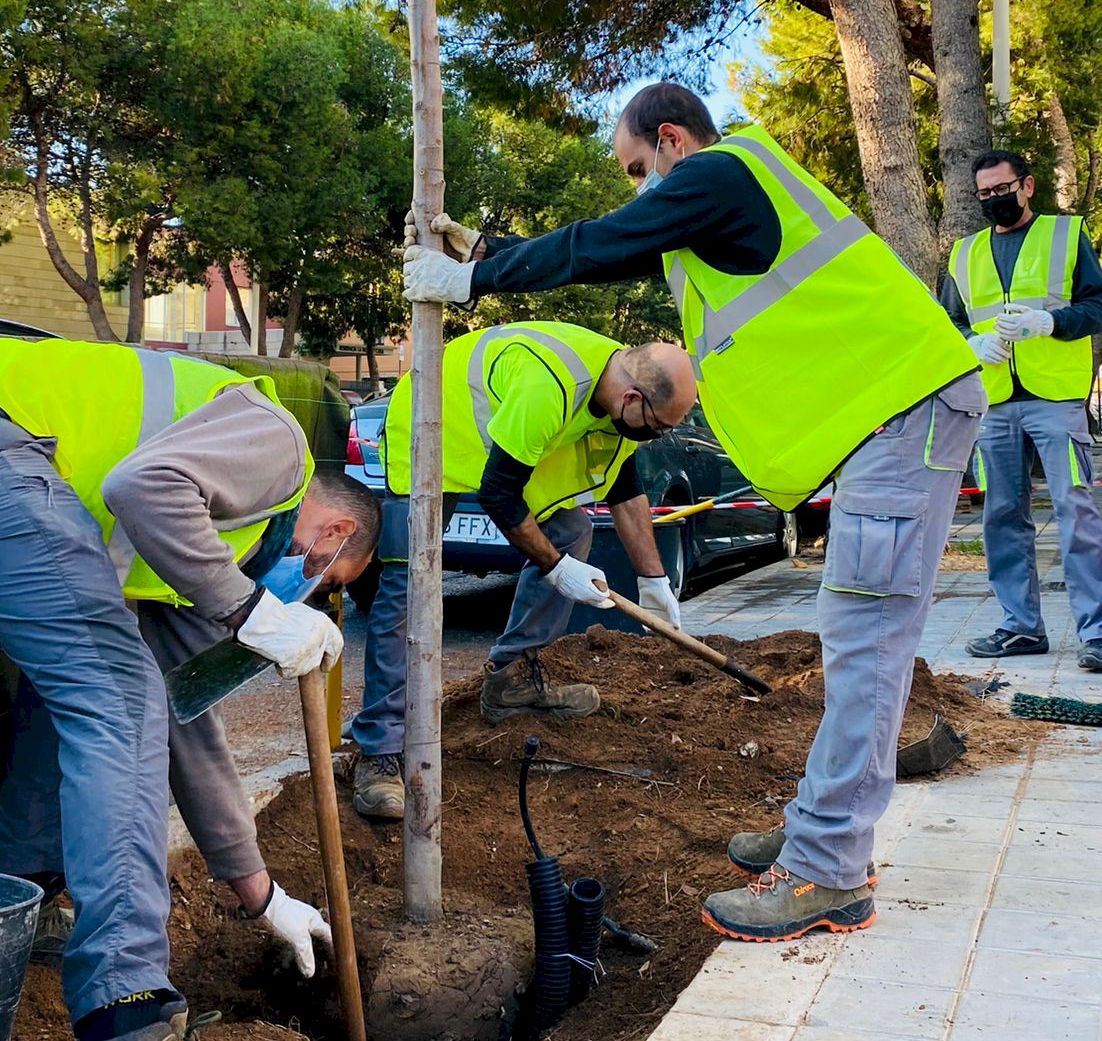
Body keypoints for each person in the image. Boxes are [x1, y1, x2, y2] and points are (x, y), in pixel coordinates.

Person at [404, 82, 986, 943]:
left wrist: (473, 281)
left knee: (866, 644)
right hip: (894, 421)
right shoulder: (714, 215)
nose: (639, 187)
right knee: (857, 639)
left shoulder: (723, 172)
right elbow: (606, 252)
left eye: (638, 167)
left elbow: (605, 238)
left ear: (673, 140)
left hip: (902, 418)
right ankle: (819, 828)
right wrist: (492, 253)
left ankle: (828, 868)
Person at [0, 336, 380, 1041]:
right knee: (114, 698)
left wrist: (260, 892)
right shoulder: (277, 448)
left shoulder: (183, 557)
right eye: (328, 577)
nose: (310, 588)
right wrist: (253, 609)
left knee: (87, 688)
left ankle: (27, 908)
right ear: (333, 532)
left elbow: (188, 724)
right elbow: (141, 486)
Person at [349, 320, 697, 819]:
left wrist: (653, 580)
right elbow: (499, 495)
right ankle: (380, 750)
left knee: (571, 529)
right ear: (632, 398)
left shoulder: (619, 384)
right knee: (409, 581)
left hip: (508, 436)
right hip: (434, 421)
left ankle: (510, 678)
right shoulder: (548, 387)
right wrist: (557, 569)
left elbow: (624, 486)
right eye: (658, 426)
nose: (656, 436)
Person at [941, 149, 1102, 664]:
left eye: (1001, 189)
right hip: (995, 404)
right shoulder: (964, 253)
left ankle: (1097, 632)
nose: (993, 199)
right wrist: (971, 344)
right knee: (1002, 517)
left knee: (1076, 511)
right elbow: (948, 323)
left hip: (1056, 399)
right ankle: (1021, 628)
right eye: (984, 193)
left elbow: (1097, 305)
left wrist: (1051, 323)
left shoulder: (1065, 235)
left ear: (1027, 186)